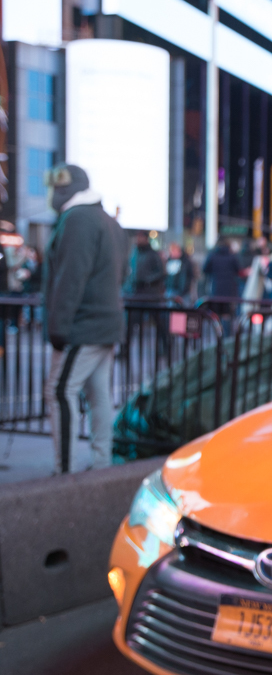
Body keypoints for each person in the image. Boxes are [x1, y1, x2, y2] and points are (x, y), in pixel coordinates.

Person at [42, 164, 128, 474]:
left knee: (59, 390)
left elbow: (70, 279)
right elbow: (123, 273)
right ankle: (101, 466)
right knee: (98, 395)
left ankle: (64, 471)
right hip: (106, 324)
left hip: (84, 324)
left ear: (64, 189)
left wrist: (58, 328)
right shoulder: (108, 221)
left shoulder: (77, 219)